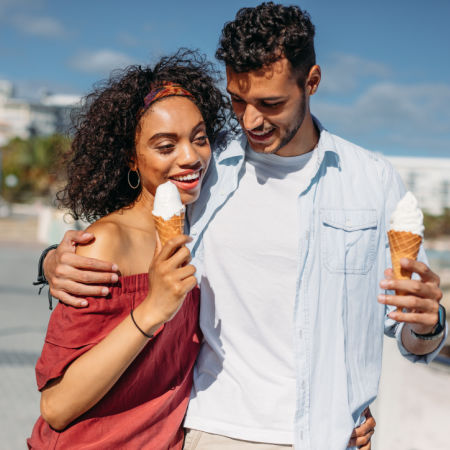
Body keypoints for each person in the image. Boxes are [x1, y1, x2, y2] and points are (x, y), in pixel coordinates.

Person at [37, 3, 446, 450]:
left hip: (332, 436)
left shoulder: (373, 180)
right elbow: (134, 222)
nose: (250, 120)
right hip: (219, 432)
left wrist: (428, 325)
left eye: (270, 103)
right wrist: (52, 261)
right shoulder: (208, 170)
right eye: (237, 100)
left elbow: (412, 335)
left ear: (311, 81)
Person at [28, 50, 230, 449]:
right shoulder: (105, 243)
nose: (190, 156)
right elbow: (56, 405)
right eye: (165, 145)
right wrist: (154, 308)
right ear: (131, 160)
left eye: (199, 138)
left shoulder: (202, 225)